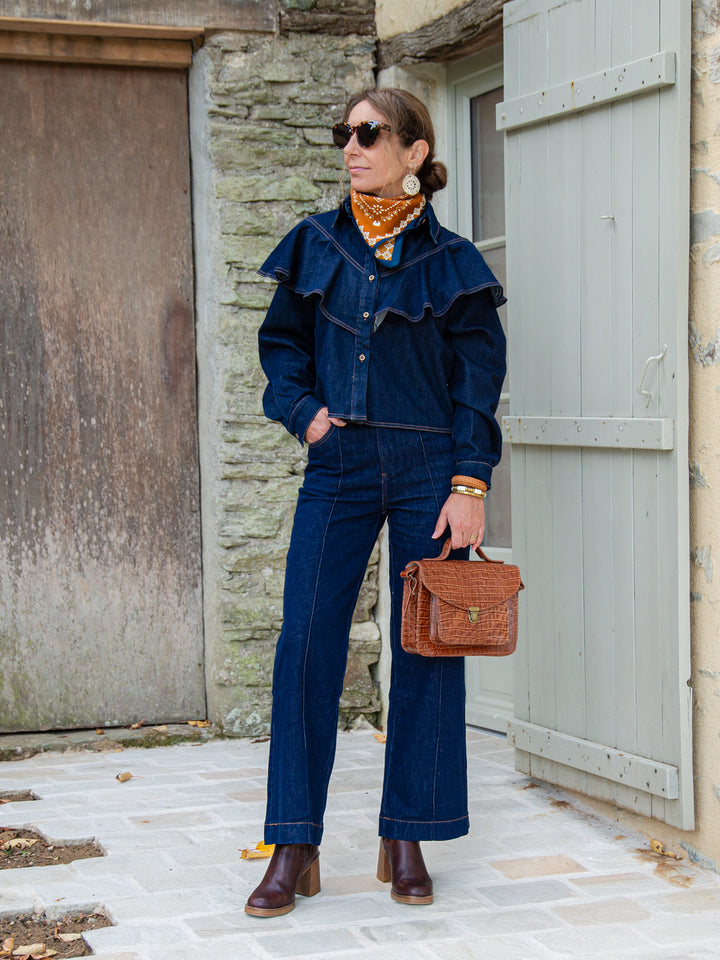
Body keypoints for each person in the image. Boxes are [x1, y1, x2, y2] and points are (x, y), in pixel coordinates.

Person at [245, 87, 506, 918]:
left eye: (369, 133)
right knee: (307, 642)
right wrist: (303, 414)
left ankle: (409, 834)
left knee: (427, 647)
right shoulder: (315, 242)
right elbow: (280, 344)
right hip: (341, 461)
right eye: (344, 133)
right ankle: (295, 841)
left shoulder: (452, 259)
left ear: (416, 153)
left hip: (431, 464)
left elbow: (478, 378)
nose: (351, 146)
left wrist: (471, 484)